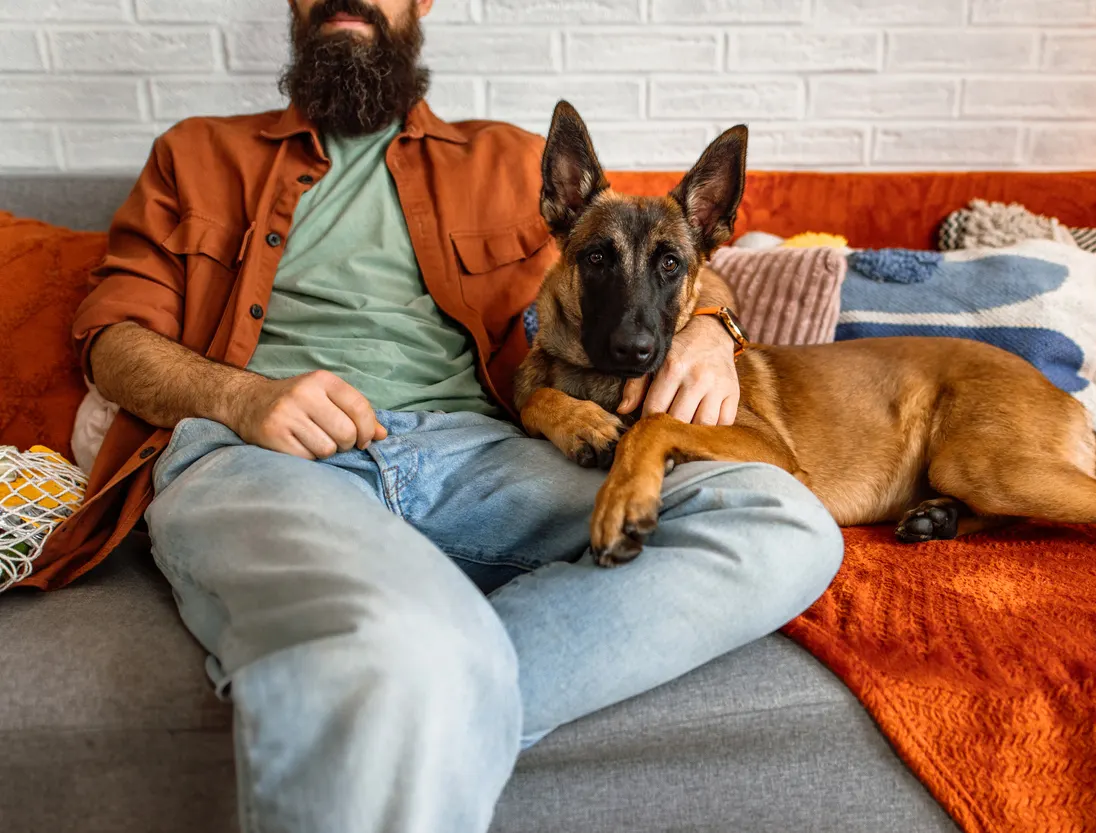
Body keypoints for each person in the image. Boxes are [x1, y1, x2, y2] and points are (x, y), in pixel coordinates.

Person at [60, 0, 844, 829]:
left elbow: (667, 241)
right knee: (402, 641)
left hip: (482, 459)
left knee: (787, 521)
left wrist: (714, 332)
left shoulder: (509, 161)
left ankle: (426, 684)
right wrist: (244, 397)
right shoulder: (195, 154)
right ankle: (415, 665)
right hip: (263, 458)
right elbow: (111, 343)